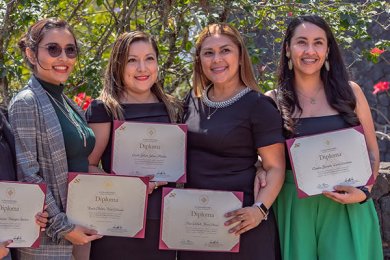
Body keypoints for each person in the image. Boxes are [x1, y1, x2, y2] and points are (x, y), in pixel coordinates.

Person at [265, 15, 383, 260]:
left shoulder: (351, 92)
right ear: (288, 49)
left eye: (318, 42)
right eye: (301, 42)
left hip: (348, 206)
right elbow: (267, 160)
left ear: (328, 49)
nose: (310, 51)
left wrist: (364, 192)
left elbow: (372, 152)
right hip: (295, 209)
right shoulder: (272, 100)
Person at [178, 23, 285, 260]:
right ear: (200, 60)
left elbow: (275, 167)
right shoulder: (191, 102)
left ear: (239, 56)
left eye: (225, 50)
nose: (217, 59)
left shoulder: (259, 106)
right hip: (195, 224)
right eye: (209, 53)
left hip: (241, 223)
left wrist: (259, 210)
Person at [8, 18, 101, 260]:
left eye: (70, 50)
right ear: (30, 53)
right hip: (49, 240)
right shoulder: (27, 102)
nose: (64, 58)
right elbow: (28, 174)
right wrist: (65, 228)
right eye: (53, 49)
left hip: (80, 232)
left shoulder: (68, 103)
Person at [86, 31, 181, 260]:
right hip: (118, 224)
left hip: (164, 224)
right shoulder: (105, 109)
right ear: (118, 65)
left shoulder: (173, 109)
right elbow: (87, 167)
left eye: (149, 58)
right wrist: (128, 187)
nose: (142, 68)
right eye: (132, 60)